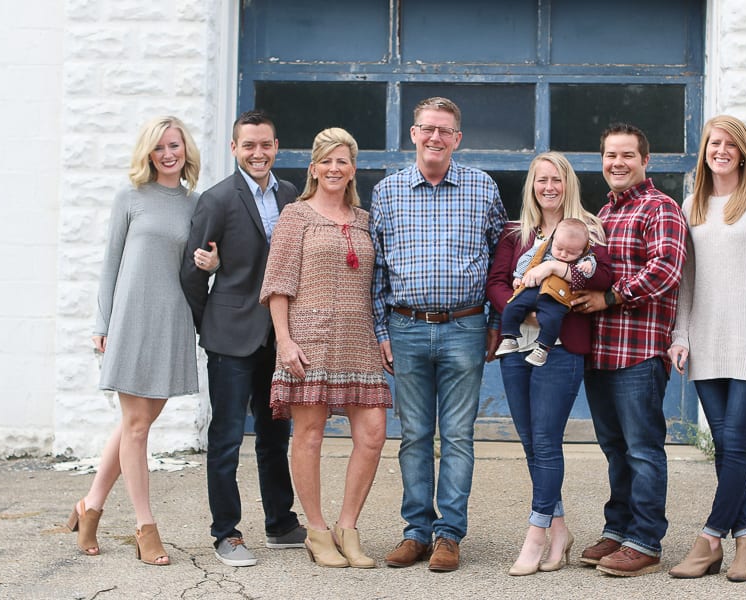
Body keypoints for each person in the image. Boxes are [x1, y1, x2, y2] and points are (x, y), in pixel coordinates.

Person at [370, 96, 507, 572]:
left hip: (464, 328)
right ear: (413, 134)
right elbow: (378, 270)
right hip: (405, 327)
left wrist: (494, 323)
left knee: (458, 436)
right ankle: (415, 532)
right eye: (427, 128)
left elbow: (499, 265)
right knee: (413, 436)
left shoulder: (482, 188)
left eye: (445, 130)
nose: (435, 137)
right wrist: (380, 329)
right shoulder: (386, 192)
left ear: (457, 139)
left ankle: (448, 534)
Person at [69, 115, 203, 566]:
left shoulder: (194, 203)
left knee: (136, 423)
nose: (169, 154)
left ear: (186, 151)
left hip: (172, 320)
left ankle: (89, 506)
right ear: (149, 153)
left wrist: (212, 261)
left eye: (175, 146)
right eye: (161, 147)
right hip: (130, 319)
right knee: (137, 427)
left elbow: (196, 265)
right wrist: (101, 323)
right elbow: (110, 265)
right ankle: (146, 527)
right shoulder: (130, 198)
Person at [666, 115, 746, 582]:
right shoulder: (692, 206)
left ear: (743, 151)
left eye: (729, 144)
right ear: (704, 150)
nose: (720, 150)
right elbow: (687, 281)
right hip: (707, 341)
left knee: (736, 442)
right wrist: (681, 335)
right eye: (713, 143)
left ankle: (709, 538)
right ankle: (745, 541)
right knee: (725, 447)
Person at [259, 128, 393, 569]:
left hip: (359, 339)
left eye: (343, 161)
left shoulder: (365, 219)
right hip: (309, 338)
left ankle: (347, 526)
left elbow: (379, 284)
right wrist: (285, 340)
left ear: (353, 168)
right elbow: (277, 284)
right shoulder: (295, 216)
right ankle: (316, 531)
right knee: (310, 434)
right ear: (313, 168)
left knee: (372, 434)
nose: (335, 169)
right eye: (327, 161)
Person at [180, 110, 303, 568]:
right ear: (234, 149)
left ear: (276, 147)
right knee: (228, 438)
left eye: (265, 144)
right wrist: (209, 323)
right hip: (230, 340)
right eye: (248, 145)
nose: (258, 153)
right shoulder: (216, 200)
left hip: (279, 338)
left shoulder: (291, 195)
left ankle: (280, 524)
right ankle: (226, 533)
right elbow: (193, 271)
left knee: (275, 436)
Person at [486, 152, 612, 576]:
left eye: (556, 179)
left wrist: (559, 270)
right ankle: (560, 530)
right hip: (517, 347)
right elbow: (497, 283)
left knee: (545, 442)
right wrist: (525, 311)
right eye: (541, 179)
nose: (549, 187)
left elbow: (602, 276)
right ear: (532, 186)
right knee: (530, 442)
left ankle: (536, 533)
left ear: (568, 184)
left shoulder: (587, 230)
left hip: (561, 350)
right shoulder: (515, 235)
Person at [570, 123, 688, 577]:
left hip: (638, 351)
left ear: (645, 160)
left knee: (642, 449)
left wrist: (611, 296)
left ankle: (645, 540)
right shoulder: (602, 213)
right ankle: (618, 530)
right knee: (615, 449)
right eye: (609, 156)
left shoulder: (661, 208)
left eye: (627, 155)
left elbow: (665, 270)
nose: (617, 163)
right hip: (600, 352)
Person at [496, 217, 599, 367]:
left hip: (556, 295)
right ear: (554, 240)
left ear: (581, 250)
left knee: (552, 319)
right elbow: (527, 259)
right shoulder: (544, 248)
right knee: (512, 306)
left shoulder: (585, 257)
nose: (563, 254)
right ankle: (509, 337)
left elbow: (588, 271)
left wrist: (588, 264)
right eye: (559, 248)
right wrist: (518, 276)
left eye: (570, 252)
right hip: (532, 289)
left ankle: (543, 348)